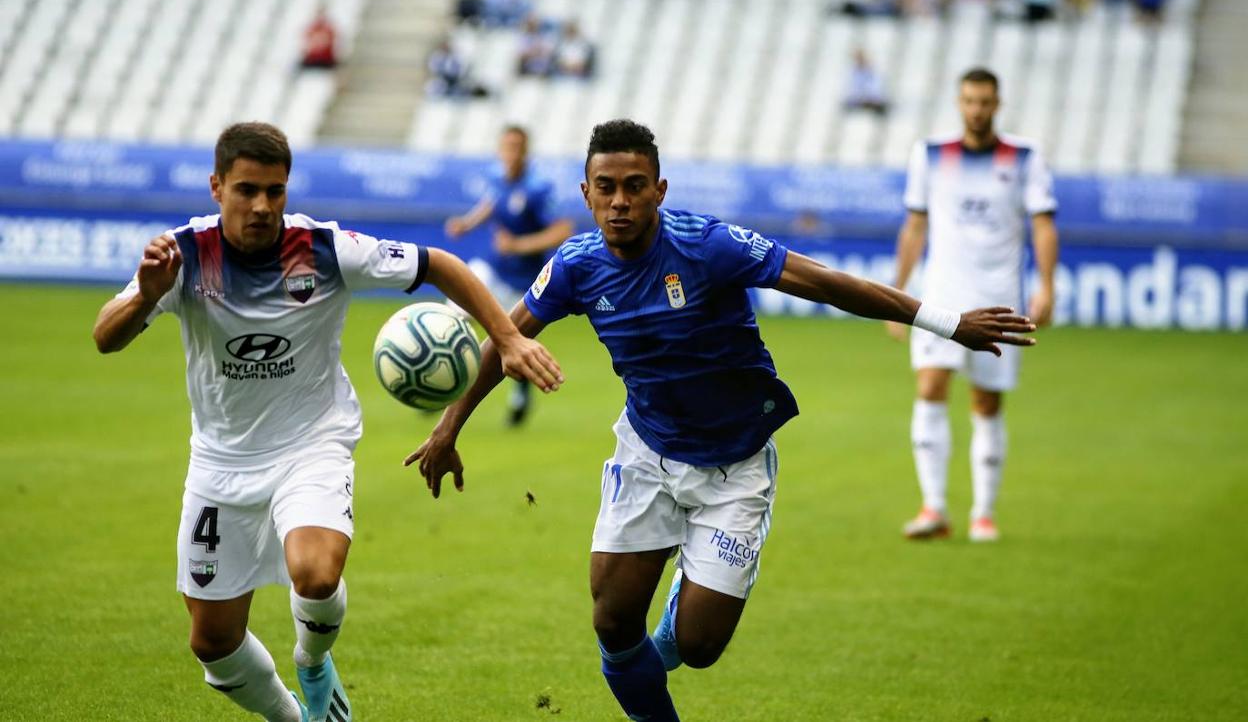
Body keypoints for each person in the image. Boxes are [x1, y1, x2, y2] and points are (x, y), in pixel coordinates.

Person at [410, 119, 1037, 720]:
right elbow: (504, 336)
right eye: (606, 188)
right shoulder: (576, 266)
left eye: (635, 186)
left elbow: (819, 281)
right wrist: (448, 427)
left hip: (735, 464)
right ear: (586, 193)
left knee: (700, 647)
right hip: (648, 453)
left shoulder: (706, 245)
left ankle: (687, 603)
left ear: (660, 189)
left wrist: (947, 323)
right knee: (611, 620)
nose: (620, 202)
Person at [92, 122, 562, 722]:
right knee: (213, 646)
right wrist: (143, 295)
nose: (262, 205)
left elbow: (439, 263)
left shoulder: (322, 248)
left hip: (311, 443)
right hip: (220, 462)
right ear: (216, 187)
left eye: (275, 191)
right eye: (246, 191)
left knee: (314, 575)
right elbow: (106, 336)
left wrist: (506, 337)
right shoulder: (182, 254)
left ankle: (313, 662)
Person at [889, 68, 1059, 543]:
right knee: (930, 386)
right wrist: (897, 293)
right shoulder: (930, 154)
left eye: (985, 102)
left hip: (1000, 295)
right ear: (959, 103)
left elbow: (1043, 225)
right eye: (969, 101)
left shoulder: (1025, 157)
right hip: (941, 294)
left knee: (986, 401)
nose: (977, 110)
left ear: (997, 104)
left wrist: (1046, 285)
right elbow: (915, 226)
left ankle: (983, 512)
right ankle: (934, 508)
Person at [444, 125, 574, 425]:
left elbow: (562, 229)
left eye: (517, 147)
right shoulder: (496, 177)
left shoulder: (538, 187)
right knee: (454, 311)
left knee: (512, 340)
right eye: (506, 146)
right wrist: (467, 223)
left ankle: (520, 396)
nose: (511, 153)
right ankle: (440, 376)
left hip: (524, 281)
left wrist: (518, 245)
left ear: (526, 151)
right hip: (494, 269)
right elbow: (492, 203)